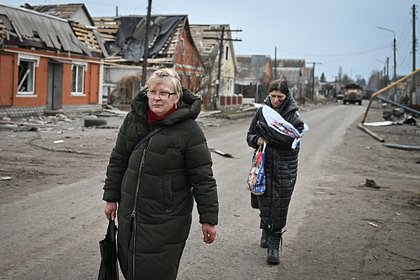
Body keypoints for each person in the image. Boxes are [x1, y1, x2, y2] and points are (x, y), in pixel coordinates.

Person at [103, 68, 219, 279]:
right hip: (131, 214)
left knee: (158, 271)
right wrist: (111, 198)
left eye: (163, 93)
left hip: (166, 218)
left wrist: (208, 219)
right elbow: (118, 159)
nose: (156, 98)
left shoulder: (190, 131)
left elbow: (203, 179)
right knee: (130, 268)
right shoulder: (134, 120)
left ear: (176, 98)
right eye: (152, 91)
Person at [246, 79, 305, 265]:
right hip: (264, 164)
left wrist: (274, 138)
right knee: (264, 200)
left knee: (280, 204)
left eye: (280, 97)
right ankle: (265, 229)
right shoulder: (262, 112)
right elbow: (249, 135)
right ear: (268, 95)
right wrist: (257, 140)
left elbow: (294, 142)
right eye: (273, 96)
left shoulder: (293, 116)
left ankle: (274, 244)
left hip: (285, 168)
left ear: (287, 97)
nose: (276, 100)